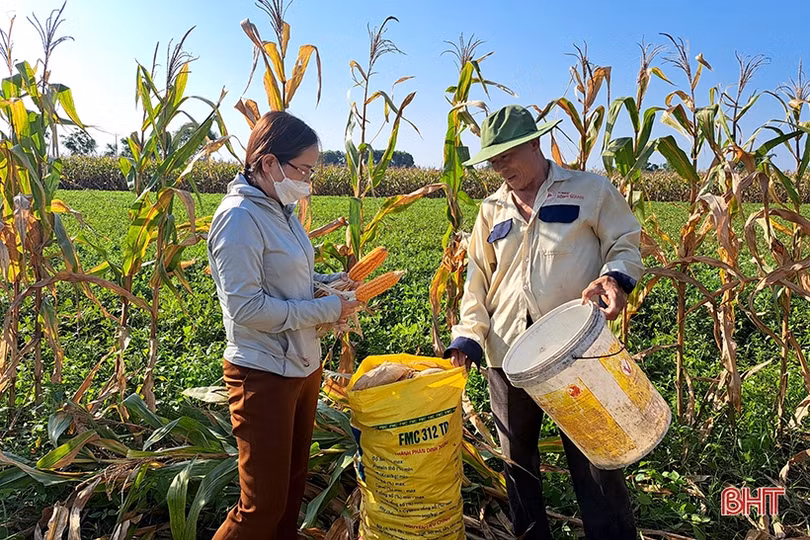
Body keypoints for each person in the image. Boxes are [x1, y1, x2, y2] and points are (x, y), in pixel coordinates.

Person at [445, 105, 644, 540]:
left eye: (507, 156)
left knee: (595, 455)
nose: (501, 168)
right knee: (517, 461)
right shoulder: (491, 209)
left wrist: (615, 278)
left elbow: (625, 242)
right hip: (507, 354)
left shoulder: (589, 191)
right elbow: (477, 281)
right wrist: (467, 337)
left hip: (576, 351)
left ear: (535, 144)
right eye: (493, 161)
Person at [207, 111, 361, 539]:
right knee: (261, 507)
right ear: (269, 162)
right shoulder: (239, 218)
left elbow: (290, 279)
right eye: (304, 169)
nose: (308, 181)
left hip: (302, 366)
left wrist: (329, 283)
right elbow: (248, 308)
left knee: (291, 489)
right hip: (263, 373)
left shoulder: (282, 210)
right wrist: (327, 309)